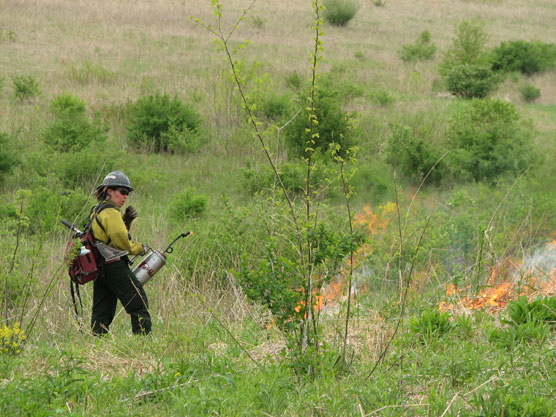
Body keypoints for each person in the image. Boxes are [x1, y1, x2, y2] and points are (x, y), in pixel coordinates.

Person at [90, 171, 152, 335]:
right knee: (138, 303)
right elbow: (122, 243)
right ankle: (143, 342)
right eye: (122, 192)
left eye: (127, 193)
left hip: (100, 268)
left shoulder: (97, 210)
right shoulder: (111, 213)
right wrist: (141, 248)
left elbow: (106, 238)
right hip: (114, 266)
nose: (125, 197)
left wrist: (126, 222)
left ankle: (96, 343)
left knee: (102, 310)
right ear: (109, 190)